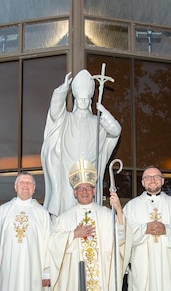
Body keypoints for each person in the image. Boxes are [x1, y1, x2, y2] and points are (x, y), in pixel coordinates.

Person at [48, 159, 125, 291]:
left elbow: (121, 238)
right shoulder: (64, 218)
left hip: (100, 275)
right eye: (80, 188)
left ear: (94, 190)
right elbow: (53, 243)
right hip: (75, 275)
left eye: (88, 188)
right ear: (74, 192)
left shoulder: (105, 214)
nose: (84, 191)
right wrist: (74, 234)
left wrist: (119, 211)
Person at [42, 69, 121, 217]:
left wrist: (104, 112)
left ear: (90, 101)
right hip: (68, 172)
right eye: (80, 98)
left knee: (89, 215)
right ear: (75, 100)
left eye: (86, 99)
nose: (83, 101)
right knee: (65, 214)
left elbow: (116, 131)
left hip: (90, 174)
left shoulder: (98, 122)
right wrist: (62, 90)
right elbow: (55, 112)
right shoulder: (67, 118)